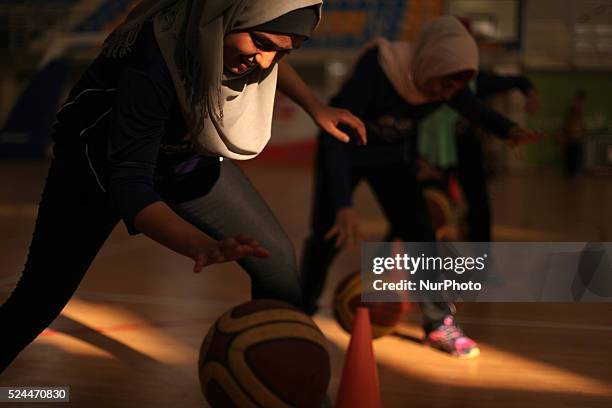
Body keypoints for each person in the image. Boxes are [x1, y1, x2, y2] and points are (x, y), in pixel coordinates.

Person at [0, 0, 367, 374]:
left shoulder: (230, 37)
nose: (265, 62)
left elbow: (270, 52)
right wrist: (200, 245)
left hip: (183, 158)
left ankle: (280, 382)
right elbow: (131, 187)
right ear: (229, 17)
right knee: (38, 300)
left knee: (276, 262)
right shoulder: (153, 61)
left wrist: (315, 107)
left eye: (281, 51)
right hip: (97, 168)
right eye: (260, 42)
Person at [300, 16, 540, 358]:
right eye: (443, 87)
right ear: (429, 62)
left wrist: (509, 129)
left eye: (450, 91)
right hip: (344, 150)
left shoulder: (442, 80)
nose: (443, 95)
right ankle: (301, 310)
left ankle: (438, 323)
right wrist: (343, 205)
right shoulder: (379, 67)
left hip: (390, 157)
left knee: (421, 234)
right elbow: (333, 136)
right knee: (327, 234)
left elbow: (473, 108)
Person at [418, 70, 541, 242]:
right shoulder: (425, 83)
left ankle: (482, 257)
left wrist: (529, 98)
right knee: (424, 209)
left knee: (479, 207)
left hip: (467, 149)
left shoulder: (473, 83)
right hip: (430, 155)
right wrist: (418, 160)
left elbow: (515, 83)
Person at [560, 90, 587, 177]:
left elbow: (580, 122)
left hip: (575, 135)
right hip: (572, 135)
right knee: (571, 155)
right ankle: (570, 173)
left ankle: (572, 172)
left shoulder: (578, 108)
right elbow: (568, 122)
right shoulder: (573, 108)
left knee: (574, 155)